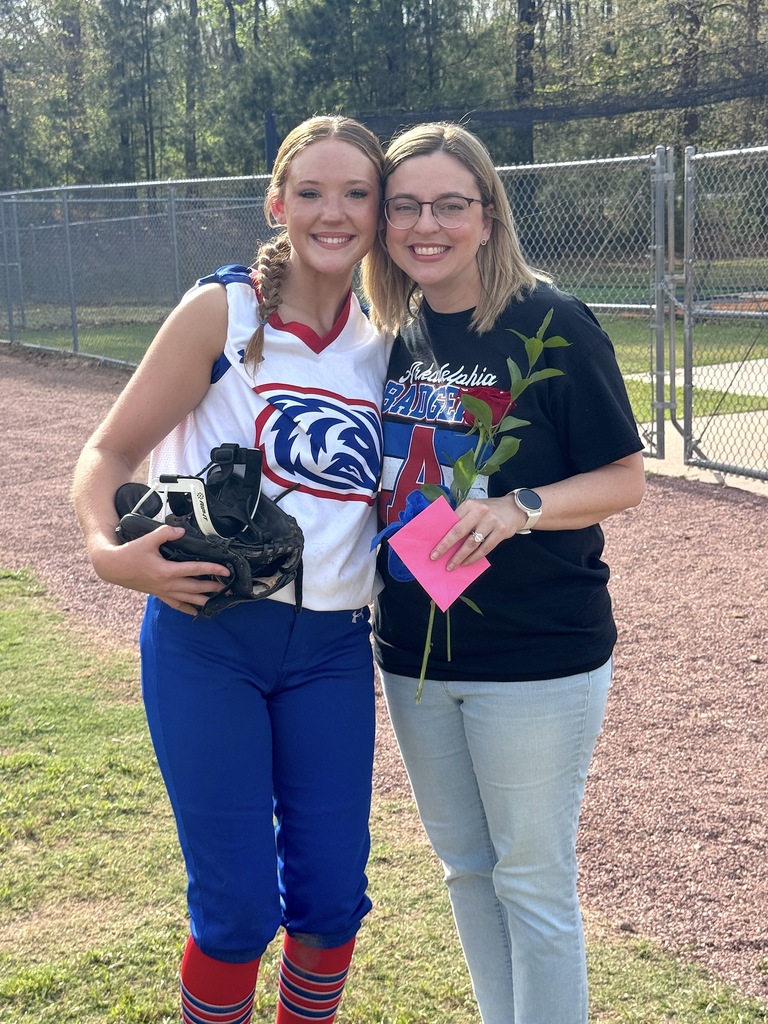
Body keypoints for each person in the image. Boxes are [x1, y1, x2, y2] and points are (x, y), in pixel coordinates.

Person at [72, 115, 389, 1024]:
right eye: (312, 192)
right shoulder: (225, 310)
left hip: (332, 646)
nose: (334, 213)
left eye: (357, 193)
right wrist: (108, 556)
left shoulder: (385, 339)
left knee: (331, 902)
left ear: (378, 211)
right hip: (210, 637)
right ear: (276, 203)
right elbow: (107, 451)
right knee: (238, 910)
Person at [362, 122, 646, 1024]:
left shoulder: (551, 321)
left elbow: (624, 477)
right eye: (404, 206)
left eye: (450, 204)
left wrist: (519, 507)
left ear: (488, 214)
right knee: (467, 871)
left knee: (532, 881)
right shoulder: (390, 337)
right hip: (412, 650)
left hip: (535, 656)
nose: (425, 224)